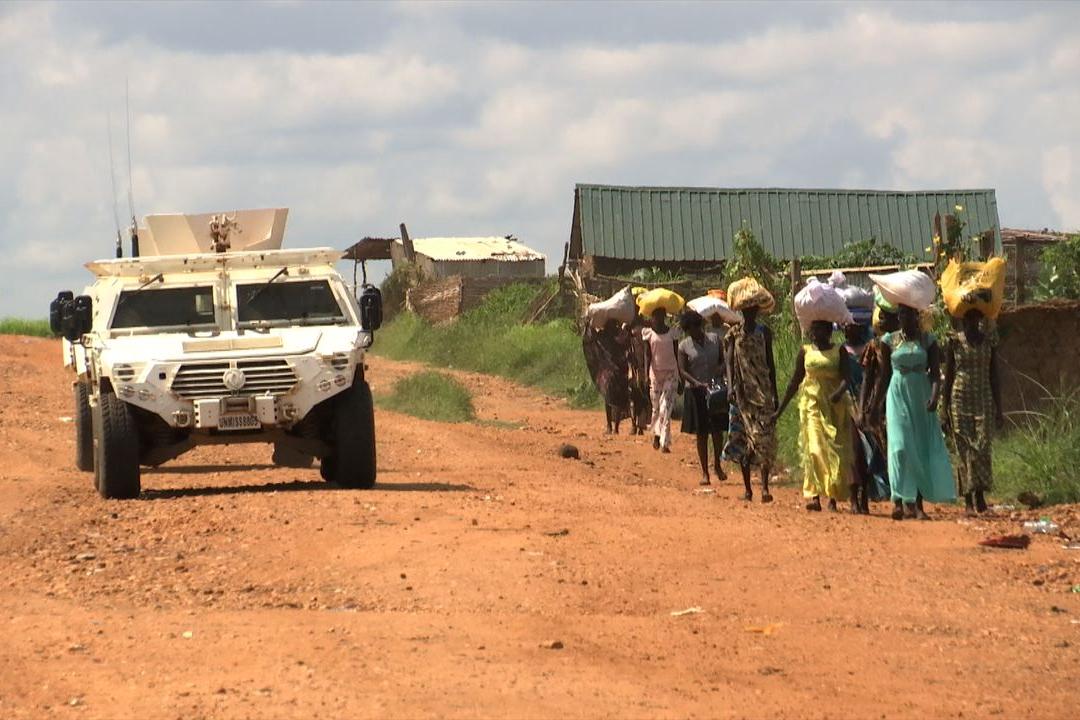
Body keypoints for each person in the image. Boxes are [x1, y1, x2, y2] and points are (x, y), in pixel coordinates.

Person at [873, 304, 955, 520]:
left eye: (909, 314)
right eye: (902, 314)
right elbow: (884, 376)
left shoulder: (928, 341)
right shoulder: (889, 341)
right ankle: (898, 500)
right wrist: (875, 405)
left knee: (918, 448)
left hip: (921, 396)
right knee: (899, 447)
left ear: (916, 316)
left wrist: (935, 396)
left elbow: (935, 374)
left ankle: (917, 504)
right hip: (897, 395)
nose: (905, 318)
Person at [775, 320, 854, 512]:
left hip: (834, 408)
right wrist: (779, 411)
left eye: (820, 329)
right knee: (814, 449)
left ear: (828, 331)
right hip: (811, 405)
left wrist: (838, 393)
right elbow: (794, 382)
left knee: (833, 451)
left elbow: (846, 378)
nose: (815, 333)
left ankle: (832, 497)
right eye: (814, 329)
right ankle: (814, 495)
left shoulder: (839, 351)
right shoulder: (805, 351)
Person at [942, 308, 1004, 516]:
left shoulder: (989, 342)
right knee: (964, 447)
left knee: (983, 446)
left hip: (984, 398)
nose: (971, 321)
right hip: (960, 398)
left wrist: (999, 409)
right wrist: (944, 409)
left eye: (975, 317)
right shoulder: (955, 342)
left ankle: (980, 494)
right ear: (963, 319)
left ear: (980, 318)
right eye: (968, 318)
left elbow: (994, 375)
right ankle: (969, 499)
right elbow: (948, 376)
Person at [722, 279, 779, 503]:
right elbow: (729, 363)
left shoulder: (764, 333)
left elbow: (770, 364)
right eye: (746, 310)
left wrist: (774, 393)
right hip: (742, 395)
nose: (750, 313)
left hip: (762, 393)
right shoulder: (733, 334)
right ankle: (748, 489)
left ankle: (764, 487)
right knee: (742, 441)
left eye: (753, 309)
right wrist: (730, 387)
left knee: (763, 441)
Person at [677, 310, 727, 485]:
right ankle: (705, 472)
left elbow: (723, 360)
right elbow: (682, 370)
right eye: (691, 329)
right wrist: (696, 383)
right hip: (696, 393)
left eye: (697, 327)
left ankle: (717, 465)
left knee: (718, 431)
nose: (695, 331)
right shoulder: (684, 346)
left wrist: (720, 370)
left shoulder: (715, 340)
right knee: (702, 433)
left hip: (715, 391)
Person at [582, 319, 631, 434]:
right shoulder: (614, 336)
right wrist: (588, 326)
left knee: (612, 399)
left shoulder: (611, 336)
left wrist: (588, 326)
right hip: (614, 371)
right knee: (613, 399)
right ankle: (613, 427)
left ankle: (612, 427)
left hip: (615, 371)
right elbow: (592, 338)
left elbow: (591, 338)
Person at [643, 307, 679, 453]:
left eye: (659, 316)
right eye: (654, 316)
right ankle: (657, 434)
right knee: (656, 409)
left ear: (664, 316)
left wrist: (680, 376)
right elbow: (647, 355)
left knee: (666, 408)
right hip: (655, 375)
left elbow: (676, 354)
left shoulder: (672, 333)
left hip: (671, 373)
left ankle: (664, 442)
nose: (656, 319)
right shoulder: (648, 334)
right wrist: (645, 375)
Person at [627, 316, 652, 436]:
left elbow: (647, 354)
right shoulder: (628, 331)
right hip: (633, 369)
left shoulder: (644, 331)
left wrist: (646, 371)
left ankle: (639, 425)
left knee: (640, 396)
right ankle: (635, 424)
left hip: (641, 369)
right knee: (634, 397)